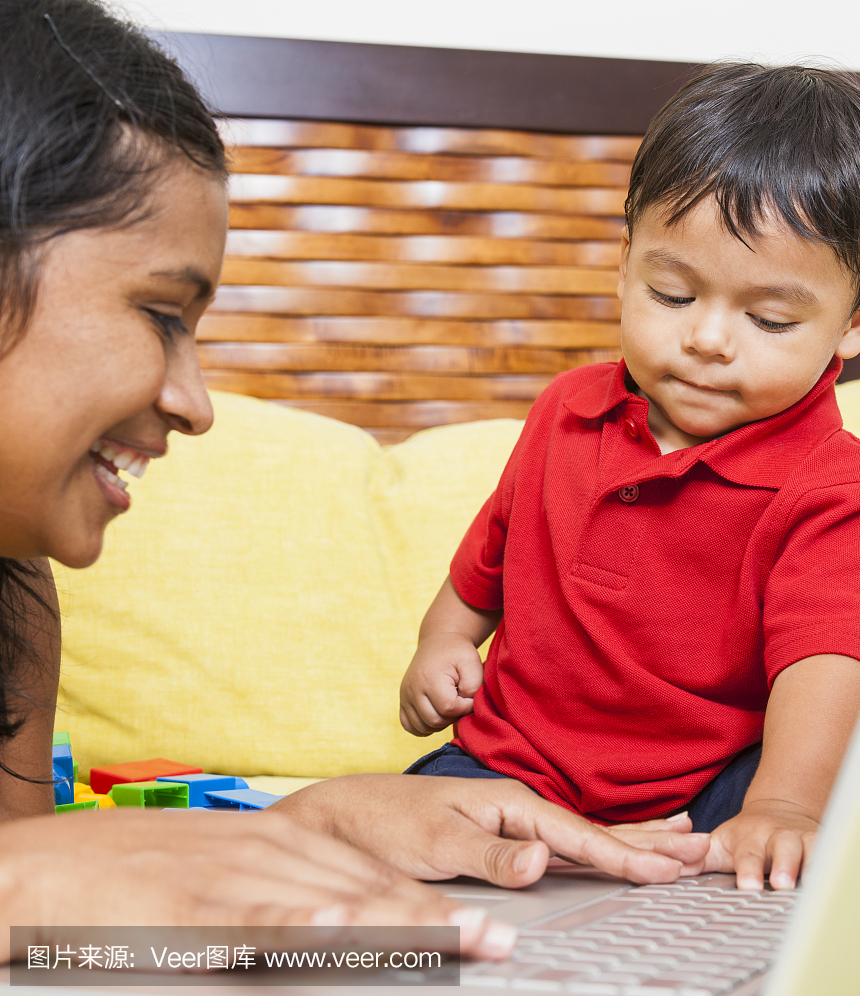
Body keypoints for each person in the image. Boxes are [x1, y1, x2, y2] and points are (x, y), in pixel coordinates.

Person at [0, 0, 707, 965]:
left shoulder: (14, 590)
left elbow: (37, 894)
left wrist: (311, 821)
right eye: (163, 313)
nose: (195, 403)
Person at [399, 63, 860, 892]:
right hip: (514, 769)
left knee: (857, 811)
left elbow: (826, 658)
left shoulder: (837, 489)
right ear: (625, 264)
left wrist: (786, 805)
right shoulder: (566, 411)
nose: (709, 339)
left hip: (704, 796)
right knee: (413, 827)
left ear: (858, 320)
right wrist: (444, 642)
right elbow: (489, 558)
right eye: (671, 293)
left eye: (769, 319)